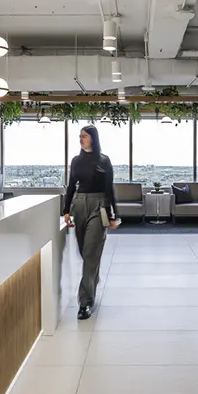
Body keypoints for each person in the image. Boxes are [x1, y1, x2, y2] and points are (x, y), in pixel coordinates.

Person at [64, 125, 121, 319]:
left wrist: (114, 214)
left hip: (100, 207)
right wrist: (66, 210)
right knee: (86, 252)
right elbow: (71, 186)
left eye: (84, 136)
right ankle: (92, 280)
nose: (81, 139)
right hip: (79, 205)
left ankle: (85, 302)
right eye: (80, 136)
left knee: (90, 252)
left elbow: (109, 189)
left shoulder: (104, 161)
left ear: (93, 139)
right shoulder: (76, 161)